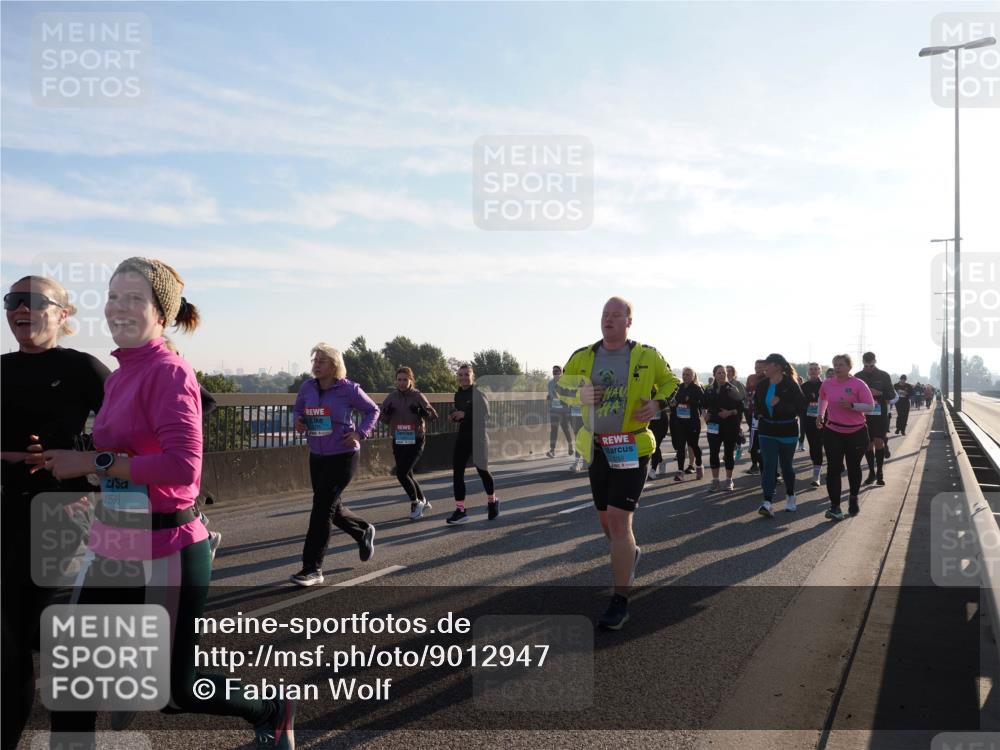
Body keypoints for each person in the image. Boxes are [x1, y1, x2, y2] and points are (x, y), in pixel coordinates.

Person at [39, 257, 296, 749]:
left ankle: (270, 709)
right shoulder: (118, 376)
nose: (119, 307)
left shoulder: (170, 372)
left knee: (174, 690)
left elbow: (183, 470)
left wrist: (93, 463)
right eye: (113, 296)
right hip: (115, 541)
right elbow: (127, 456)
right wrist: (73, 462)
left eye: (134, 298)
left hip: (167, 547)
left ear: (161, 314)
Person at [1, 276, 110, 750]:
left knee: (14, 631)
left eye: (31, 301)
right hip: (4, 503)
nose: (18, 309)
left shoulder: (81, 367)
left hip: (57, 510)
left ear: (63, 315)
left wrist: (87, 457)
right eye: (11, 301)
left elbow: (162, 414)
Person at [557, 297, 678, 630]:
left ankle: (620, 599)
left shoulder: (647, 355)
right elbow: (560, 388)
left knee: (619, 519)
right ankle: (629, 555)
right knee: (606, 522)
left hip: (632, 446)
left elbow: (672, 384)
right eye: (604, 315)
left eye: (616, 315)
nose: (608, 319)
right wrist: (576, 395)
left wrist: (656, 404)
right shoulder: (583, 356)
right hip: (596, 448)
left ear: (629, 321)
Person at [292, 343, 379, 586]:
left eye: (321, 361)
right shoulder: (307, 387)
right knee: (331, 506)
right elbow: (298, 409)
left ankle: (312, 568)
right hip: (317, 455)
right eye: (314, 360)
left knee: (321, 509)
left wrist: (360, 433)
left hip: (343, 455)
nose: (316, 365)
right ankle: (362, 531)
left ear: (334, 365)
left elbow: (373, 410)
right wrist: (298, 421)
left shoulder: (348, 389)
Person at [817, 353, 875, 520]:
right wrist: (820, 415)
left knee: (853, 466)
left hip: (856, 432)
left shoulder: (858, 384)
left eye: (841, 364)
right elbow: (823, 398)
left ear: (850, 367)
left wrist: (852, 405)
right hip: (833, 431)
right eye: (835, 364)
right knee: (833, 469)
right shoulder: (827, 384)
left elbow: (870, 407)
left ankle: (853, 498)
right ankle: (835, 507)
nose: (837, 367)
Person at [381, 366, 438, 520]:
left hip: (416, 439)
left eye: (405, 379)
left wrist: (422, 413)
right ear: (395, 380)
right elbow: (383, 419)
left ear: (411, 380)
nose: (401, 382)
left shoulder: (417, 395)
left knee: (401, 473)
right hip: (399, 439)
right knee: (408, 474)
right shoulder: (391, 397)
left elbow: (433, 416)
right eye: (399, 379)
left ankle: (416, 502)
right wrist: (387, 413)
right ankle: (423, 500)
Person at [755, 354, 805, 517]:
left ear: (776, 366)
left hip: (787, 430)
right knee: (769, 464)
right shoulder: (762, 384)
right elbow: (756, 404)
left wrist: (781, 404)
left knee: (786, 465)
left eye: (767, 365)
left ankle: (790, 495)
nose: (764, 368)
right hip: (766, 430)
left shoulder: (790, 383)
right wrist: (758, 413)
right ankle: (767, 502)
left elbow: (801, 407)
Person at [447, 364, 498, 524]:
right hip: (463, 437)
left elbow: (486, 416)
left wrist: (466, 414)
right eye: (460, 375)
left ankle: (492, 501)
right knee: (457, 473)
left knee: (482, 471)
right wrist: (455, 416)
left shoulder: (478, 393)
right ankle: (460, 510)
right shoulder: (458, 394)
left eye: (466, 375)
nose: (463, 377)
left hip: (479, 438)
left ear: (472, 376)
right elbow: (462, 414)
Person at [702, 364, 744, 492]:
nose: (721, 375)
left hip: (729, 425)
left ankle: (728, 480)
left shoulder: (733, 389)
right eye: (719, 373)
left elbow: (740, 408)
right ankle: (715, 481)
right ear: (714, 374)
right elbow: (703, 405)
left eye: (723, 373)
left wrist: (729, 412)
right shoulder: (709, 389)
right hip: (713, 425)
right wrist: (705, 414)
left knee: (728, 453)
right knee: (713, 452)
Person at [855, 352, 893, 487]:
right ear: (863, 362)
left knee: (878, 442)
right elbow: (853, 395)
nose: (869, 368)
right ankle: (871, 472)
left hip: (880, 414)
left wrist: (880, 393)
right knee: (868, 444)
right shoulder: (858, 376)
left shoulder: (884, 375)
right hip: (864, 415)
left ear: (875, 361)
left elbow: (891, 395)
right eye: (866, 365)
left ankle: (880, 472)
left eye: (871, 365)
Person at [668, 368, 704, 482]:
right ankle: (680, 471)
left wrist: (690, 401)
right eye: (684, 374)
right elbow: (673, 401)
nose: (685, 376)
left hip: (693, 422)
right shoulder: (679, 387)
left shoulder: (697, 389)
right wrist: (673, 404)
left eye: (688, 374)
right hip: (680, 422)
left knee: (693, 445)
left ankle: (698, 465)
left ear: (693, 376)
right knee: (680, 447)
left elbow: (704, 403)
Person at [801, 363, 826, 487]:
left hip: (824, 420)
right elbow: (799, 403)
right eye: (811, 369)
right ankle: (816, 468)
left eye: (816, 369)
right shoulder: (803, 386)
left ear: (820, 371)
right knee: (813, 446)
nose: (814, 371)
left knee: (820, 445)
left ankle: (817, 474)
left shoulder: (825, 385)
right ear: (808, 371)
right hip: (808, 420)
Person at [546, 365, 574, 458]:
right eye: (553, 371)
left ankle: (570, 445)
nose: (555, 372)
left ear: (561, 372)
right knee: (554, 430)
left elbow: (570, 395)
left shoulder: (565, 382)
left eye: (557, 371)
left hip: (564, 410)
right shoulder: (550, 383)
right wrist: (549, 397)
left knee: (565, 429)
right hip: (554, 410)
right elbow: (550, 394)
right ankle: (552, 450)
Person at [647, 401, 670, 480]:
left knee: (655, 446)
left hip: (660, 422)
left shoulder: (659, 390)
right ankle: (660, 460)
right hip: (649, 422)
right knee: (653, 446)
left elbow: (665, 401)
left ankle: (653, 470)